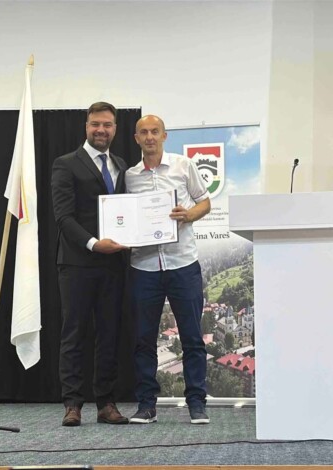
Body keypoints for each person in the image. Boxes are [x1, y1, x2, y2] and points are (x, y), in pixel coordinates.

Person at [125, 114, 212, 425]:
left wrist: (188, 215)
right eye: (143, 132)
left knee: (192, 338)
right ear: (136, 138)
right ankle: (146, 405)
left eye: (155, 131)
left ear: (164, 136)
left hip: (182, 263)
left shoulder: (183, 165)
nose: (149, 137)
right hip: (144, 266)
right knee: (143, 340)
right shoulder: (129, 176)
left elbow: (205, 202)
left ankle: (197, 403)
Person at [51, 101, 130, 426]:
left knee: (109, 335)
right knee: (74, 334)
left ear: (115, 129)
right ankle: (72, 404)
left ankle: (106, 403)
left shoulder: (121, 165)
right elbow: (63, 217)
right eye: (96, 124)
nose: (101, 130)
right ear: (86, 127)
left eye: (107, 125)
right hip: (77, 263)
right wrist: (94, 244)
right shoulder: (65, 164)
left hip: (113, 265)